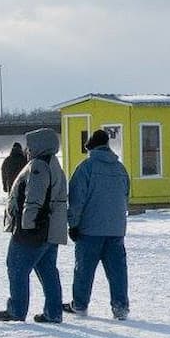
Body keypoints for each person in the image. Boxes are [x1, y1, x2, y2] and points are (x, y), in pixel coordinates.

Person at [0, 126, 68, 323]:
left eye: (30, 145)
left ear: (39, 145)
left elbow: (34, 198)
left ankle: (16, 310)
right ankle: (54, 312)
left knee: (16, 267)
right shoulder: (53, 163)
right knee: (47, 270)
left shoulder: (38, 166)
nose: (28, 149)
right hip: (51, 229)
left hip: (34, 230)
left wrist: (27, 225)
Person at [65, 128, 132, 319]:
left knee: (84, 271)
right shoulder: (120, 169)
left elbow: (77, 200)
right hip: (116, 229)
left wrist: (74, 224)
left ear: (91, 146)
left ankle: (79, 304)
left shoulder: (86, 168)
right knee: (118, 272)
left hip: (90, 230)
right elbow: (126, 196)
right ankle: (120, 307)